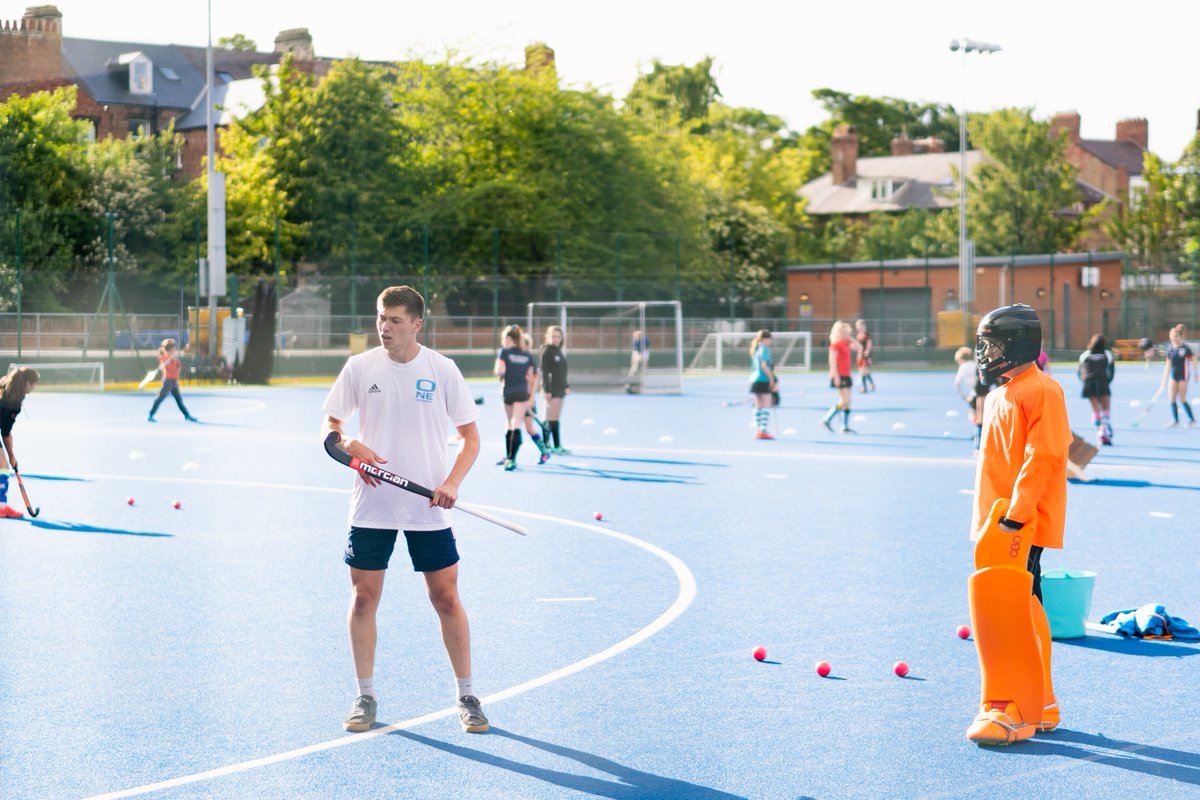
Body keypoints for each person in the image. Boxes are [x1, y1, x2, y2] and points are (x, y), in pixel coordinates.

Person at [321, 285, 487, 735]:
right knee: (363, 599)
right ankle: (365, 695)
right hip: (372, 505)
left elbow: (471, 438)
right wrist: (347, 439)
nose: (385, 327)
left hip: (428, 508)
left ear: (417, 323)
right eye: (381, 318)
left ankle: (467, 695)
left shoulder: (443, 369)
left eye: (395, 320)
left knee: (447, 598)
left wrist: (452, 482)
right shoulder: (359, 367)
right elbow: (331, 424)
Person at [966, 303, 1070, 746]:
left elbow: (1045, 455)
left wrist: (1016, 515)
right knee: (1022, 608)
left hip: (1017, 524)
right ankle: (1041, 701)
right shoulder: (998, 395)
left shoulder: (1042, 390)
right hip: (997, 524)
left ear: (1018, 344)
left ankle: (1016, 708)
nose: (986, 353)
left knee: (1012, 613)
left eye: (994, 344)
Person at [494, 324, 535, 470]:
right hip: (522, 391)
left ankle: (509, 457)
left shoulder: (504, 352)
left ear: (509, 338)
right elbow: (530, 378)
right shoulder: (528, 355)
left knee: (510, 423)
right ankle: (511, 458)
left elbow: (500, 371)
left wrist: (505, 373)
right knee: (516, 424)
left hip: (508, 391)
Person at [0, 367, 39, 519]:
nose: (35, 387)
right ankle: (2, 508)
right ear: (28, 384)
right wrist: (11, 457)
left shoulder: (5, 385)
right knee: (3, 467)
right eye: (34, 384)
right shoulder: (13, 402)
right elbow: (5, 433)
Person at [148, 338, 198, 423]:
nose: (175, 350)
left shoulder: (174, 358)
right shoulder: (163, 357)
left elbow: (179, 367)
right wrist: (170, 360)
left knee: (179, 400)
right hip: (168, 381)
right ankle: (151, 415)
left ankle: (187, 415)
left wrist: (175, 361)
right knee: (160, 398)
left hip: (174, 382)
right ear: (170, 349)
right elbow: (170, 369)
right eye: (174, 348)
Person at [1078, 334, 1115, 445]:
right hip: (1102, 381)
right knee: (1106, 408)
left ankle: (1098, 433)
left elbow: (1079, 372)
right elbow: (1111, 372)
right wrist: (1107, 382)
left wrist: (1084, 382)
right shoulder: (1107, 354)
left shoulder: (1085, 355)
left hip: (1088, 383)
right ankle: (1103, 431)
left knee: (1096, 411)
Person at [520, 333, 551, 464]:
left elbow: (534, 381)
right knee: (511, 428)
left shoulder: (529, 360)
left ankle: (544, 451)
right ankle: (509, 456)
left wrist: (530, 399)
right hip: (516, 398)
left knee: (529, 428)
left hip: (526, 399)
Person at [540, 325, 570, 454]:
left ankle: (556, 445)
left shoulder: (559, 351)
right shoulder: (547, 351)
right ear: (548, 337)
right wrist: (547, 390)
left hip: (560, 388)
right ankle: (547, 445)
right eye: (553, 336)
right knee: (550, 416)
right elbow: (545, 372)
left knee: (555, 417)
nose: (556, 339)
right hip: (552, 389)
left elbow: (561, 372)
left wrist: (566, 385)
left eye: (558, 336)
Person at [821, 321, 855, 433]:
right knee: (845, 400)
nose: (846, 334)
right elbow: (832, 361)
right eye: (843, 332)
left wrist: (850, 338)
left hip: (847, 374)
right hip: (839, 375)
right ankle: (827, 419)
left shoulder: (846, 343)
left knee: (847, 401)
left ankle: (844, 426)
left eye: (847, 332)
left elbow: (859, 347)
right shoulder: (835, 344)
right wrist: (836, 376)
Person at [1162, 325, 1195, 428]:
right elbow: (1168, 365)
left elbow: (1193, 360)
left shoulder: (1185, 349)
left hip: (1183, 377)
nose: (1174, 338)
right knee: (1171, 399)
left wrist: (1196, 373)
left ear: (1180, 336)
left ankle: (1192, 420)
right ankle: (1175, 421)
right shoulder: (1170, 349)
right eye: (1172, 336)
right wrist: (1164, 378)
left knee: (1182, 399)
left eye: (1176, 336)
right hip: (1173, 376)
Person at [748, 330, 777, 439]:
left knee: (758, 404)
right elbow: (764, 366)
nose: (770, 341)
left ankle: (758, 429)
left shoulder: (756, 349)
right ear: (765, 339)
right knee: (766, 403)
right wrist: (771, 378)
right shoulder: (764, 349)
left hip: (754, 380)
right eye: (770, 339)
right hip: (763, 379)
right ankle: (763, 430)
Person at [953, 346, 979, 434]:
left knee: (973, 415)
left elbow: (957, 382)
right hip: (984, 392)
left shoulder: (963, 366)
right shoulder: (975, 364)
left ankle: (978, 435)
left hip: (974, 393)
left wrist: (963, 396)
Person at [854, 319, 875, 393]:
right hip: (860, 356)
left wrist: (867, 352)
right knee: (864, 372)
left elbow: (869, 343)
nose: (859, 328)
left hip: (866, 356)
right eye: (857, 326)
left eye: (860, 326)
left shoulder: (867, 334)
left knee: (863, 372)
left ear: (863, 326)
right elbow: (858, 346)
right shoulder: (858, 335)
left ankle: (864, 388)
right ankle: (872, 384)